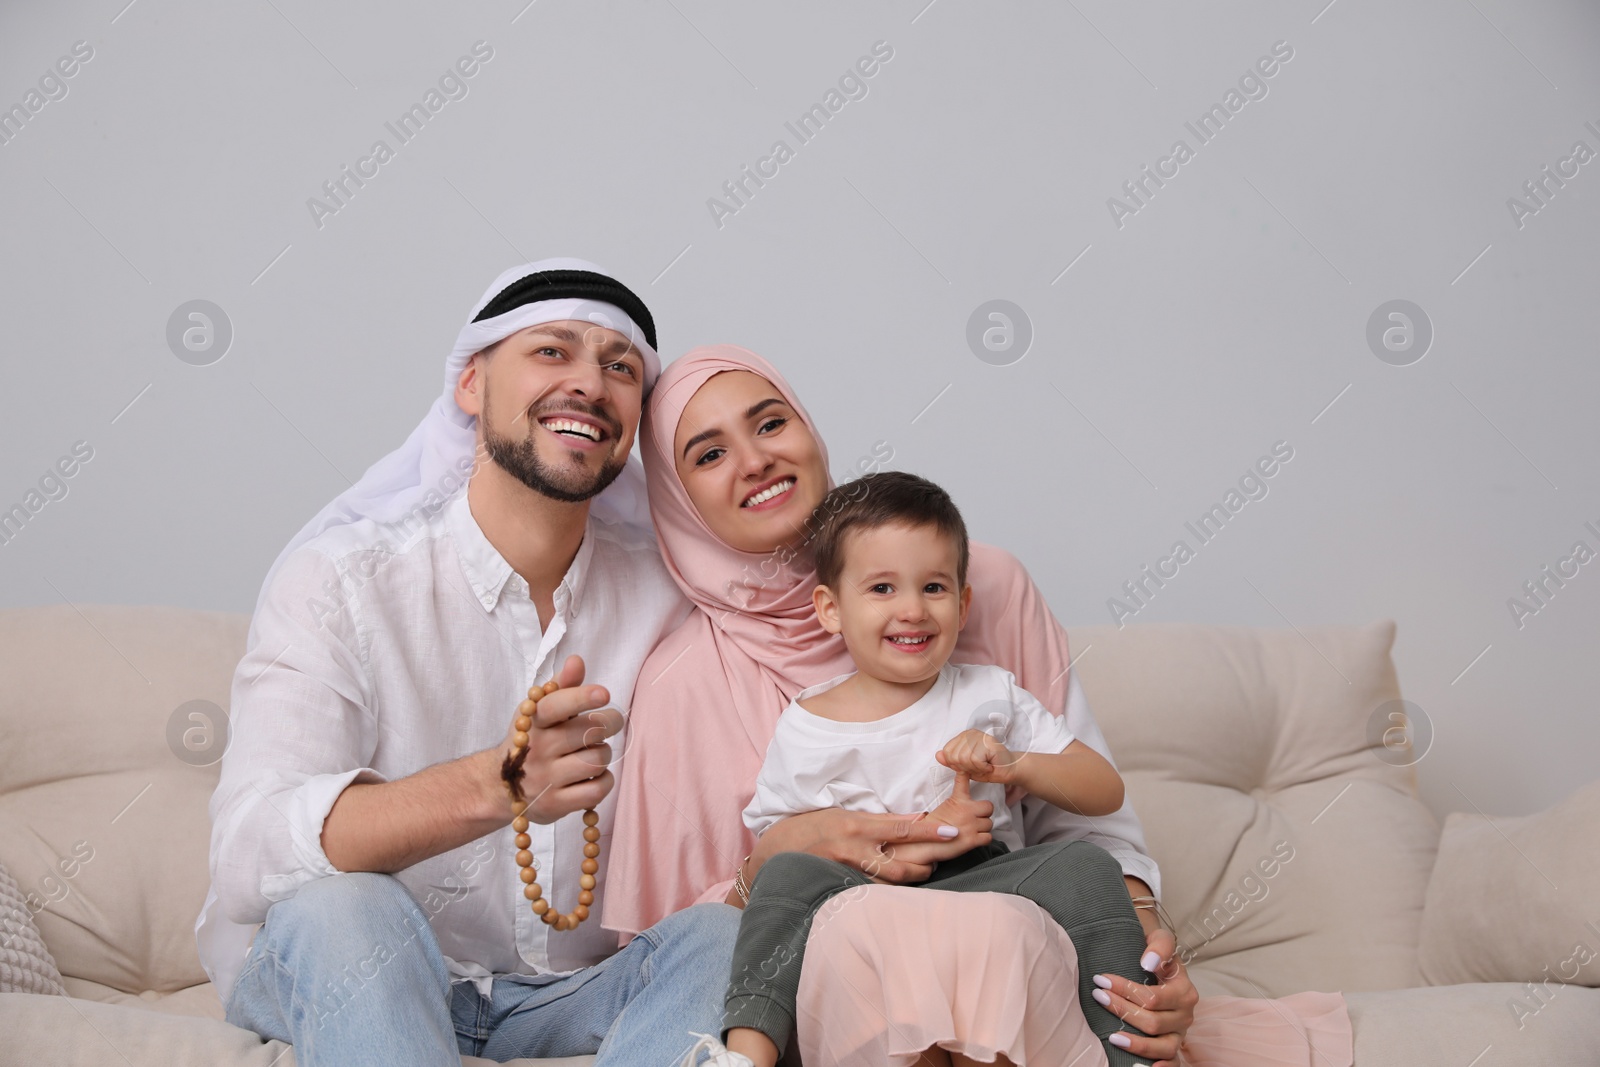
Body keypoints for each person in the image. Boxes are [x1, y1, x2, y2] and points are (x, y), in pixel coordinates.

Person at [606, 345, 1354, 1067]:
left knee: (1000, 926)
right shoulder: (684, 681)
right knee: (875, 922)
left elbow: (1086, 824)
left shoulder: (986, 587)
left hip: (1007, 953)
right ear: (676, 499)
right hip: (833, 988)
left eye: (770, 422)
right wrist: (782, 855)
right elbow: (672, 954)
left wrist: (1150, 957)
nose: (755, 458)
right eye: (707, 454)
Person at [195, 258, 742, 1066]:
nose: (590, 382)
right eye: (552, 351)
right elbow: (250, 851)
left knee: (723, 937)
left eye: (619, 366)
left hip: (572, 992)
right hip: (367, 966)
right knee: (347, 907)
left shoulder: (676, 596)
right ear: (471, 385)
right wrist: (497, 786)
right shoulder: (342, 582)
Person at [715, 471, 1155, 1067]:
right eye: (882, 589)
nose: (912, 610)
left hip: (983, 884)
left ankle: (1130, 1048)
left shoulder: (988, 695)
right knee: (786, 875)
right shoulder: (809, 722)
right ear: (830, 609)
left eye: (933, 587)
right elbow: (777, 846)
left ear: (964, 602)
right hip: (866, 898)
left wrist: (1015, 764)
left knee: (1085, 867)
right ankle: (744, 1054)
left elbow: (1105, 790)